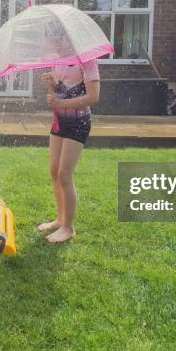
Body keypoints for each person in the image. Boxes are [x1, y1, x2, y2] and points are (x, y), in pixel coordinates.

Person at [39, 59, 100, 243]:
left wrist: (59, 103)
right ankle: (60, 219)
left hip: (78, 122)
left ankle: (68, 227)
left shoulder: (87, 61)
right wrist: (51, 87)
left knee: (65, 174)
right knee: (54, 171)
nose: (56, 40)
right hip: (59, 121)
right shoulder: (58, 61)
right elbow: (56, 98)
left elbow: (93, 97)